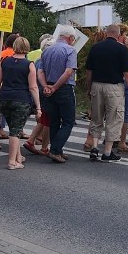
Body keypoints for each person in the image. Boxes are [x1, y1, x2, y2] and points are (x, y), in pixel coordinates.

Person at [83, 24, 128, 162]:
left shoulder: (96, 48)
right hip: (114, 87)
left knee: (96, 117)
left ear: (106, 33)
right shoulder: (122, 49)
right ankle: (107, 152)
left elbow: (89, 72)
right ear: (118, 35)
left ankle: (94, 147)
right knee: (114, 119)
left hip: (97, 85)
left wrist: (89, 88)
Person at [0, 36, 41, 170]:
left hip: (4, 98)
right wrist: (38, 106)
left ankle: (18, 157)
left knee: (14, 128)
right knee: (16, 131)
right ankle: (12, 161)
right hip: (21, 99)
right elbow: (33, 87)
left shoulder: (4, 61)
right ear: (27, 48)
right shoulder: (29, 64)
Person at [38, 26, 77, 163]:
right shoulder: (70, 50)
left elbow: (40, 71)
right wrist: (55, 87)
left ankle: (57, 150)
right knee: (68, 121)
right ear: (70, 38)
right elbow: (68, 72)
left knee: (54, 120)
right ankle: (55, 149)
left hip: (48, 87)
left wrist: (45, 86)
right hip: (63, 88)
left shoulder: (47, 50)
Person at [24, 37, 55, 157]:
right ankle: (43, 147)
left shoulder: (37, 61)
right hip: (46, 92)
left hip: (39, 92)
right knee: (47, 121)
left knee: (43, 120)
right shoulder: (47, 62)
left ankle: (32, 140)